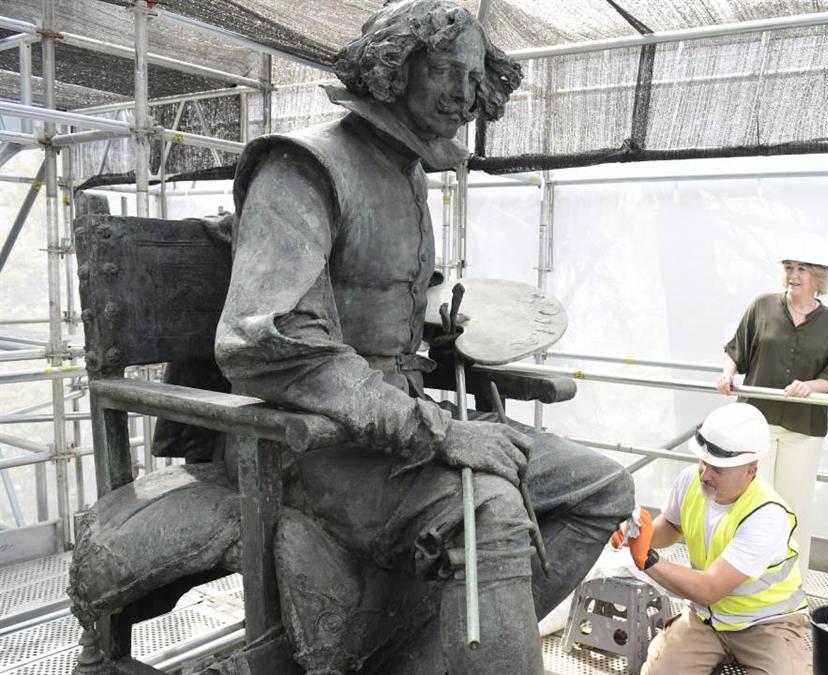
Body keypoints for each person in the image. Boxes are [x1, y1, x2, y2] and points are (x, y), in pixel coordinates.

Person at [215, 1, 634, 672]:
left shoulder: (406, 171)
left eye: (473, 77)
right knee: (492, 508)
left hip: (401, 422)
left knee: (603, 488)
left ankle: (421, 660)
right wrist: (441, 433)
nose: (464, 94)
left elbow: (375, 294)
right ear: (393, 68)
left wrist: (438, 330)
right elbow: (265, 340)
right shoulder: (303, 167)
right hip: (316, 443)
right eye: (445, 70)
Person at [613, 403, 812, 675]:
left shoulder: (767, 515)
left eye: (718, 468)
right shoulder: (690, 481)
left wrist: (647, 558)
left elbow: (710, 588)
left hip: (766, 624)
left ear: (750, 469)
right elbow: (671, 526)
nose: (705, 474)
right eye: (703, 462)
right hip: (706, 618)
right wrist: (638, 534)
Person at [717, 233, 828, 578]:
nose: (793, 274)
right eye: (789, 267)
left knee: (793, 507)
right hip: (755, 425)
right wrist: (728, 373)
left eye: (802, 269)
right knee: (752, 504)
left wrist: (809, 386)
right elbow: (736, 350)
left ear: (819, 277)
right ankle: (743, 579)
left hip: (804, 429)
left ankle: (790, 582)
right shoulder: (762, 306)